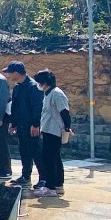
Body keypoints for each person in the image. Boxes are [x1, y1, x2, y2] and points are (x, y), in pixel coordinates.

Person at [3, 61, 44, 187]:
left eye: (9, 73)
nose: (8, 76)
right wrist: (13, 123)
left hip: (31, 125)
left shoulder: (33, 86)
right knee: (24, 151)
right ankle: (26, 176)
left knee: (36, 152)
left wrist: (36, 124)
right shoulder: (17, 87)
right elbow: (15, 107)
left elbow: (38, 107)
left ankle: (44, 178)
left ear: (16, 73)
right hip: (21, 125)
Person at [33, 69, 71, 197]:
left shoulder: (56, 94)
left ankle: (51, 186)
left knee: (50, 159)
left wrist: (67, 128)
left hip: (54, 131)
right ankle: (57, 185)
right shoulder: (48, 93)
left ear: (44, 82)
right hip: (48, 129)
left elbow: (64, 112)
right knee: (53, 158)